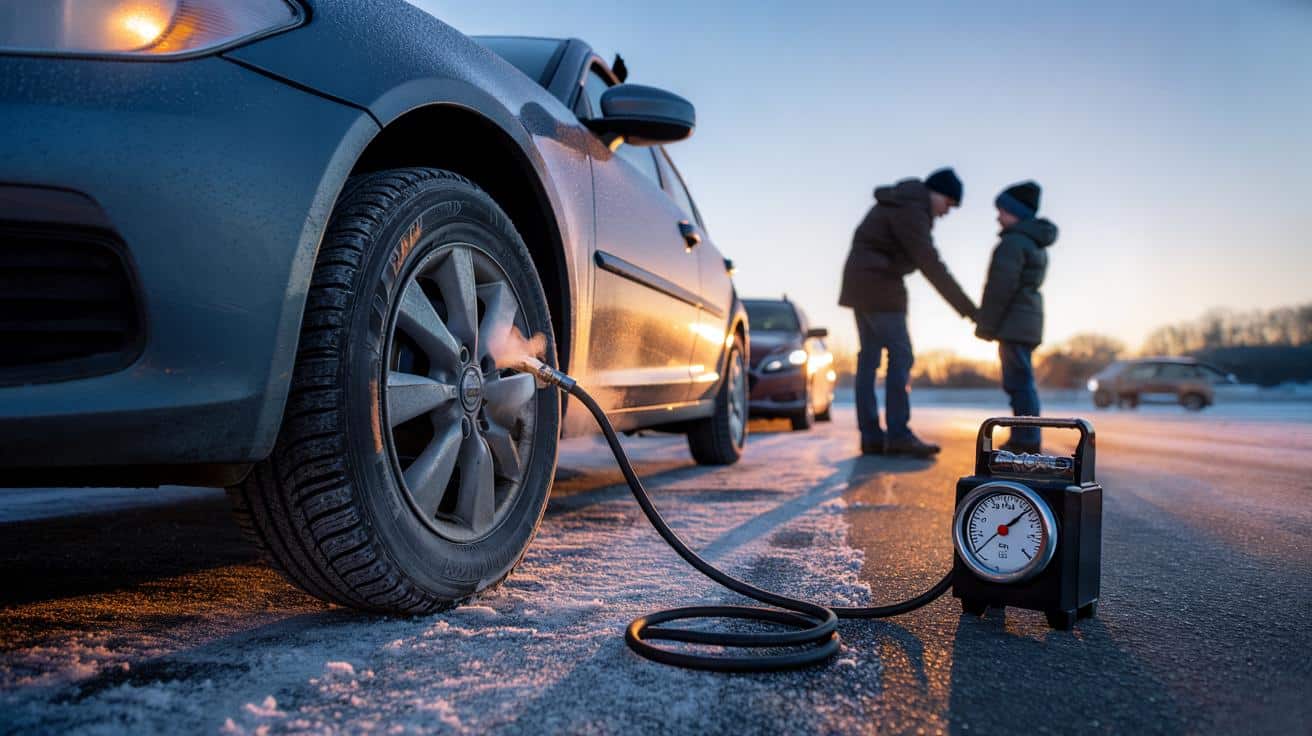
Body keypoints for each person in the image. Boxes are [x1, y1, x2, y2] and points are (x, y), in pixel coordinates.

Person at [839, 168, 978, 457]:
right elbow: (930, 264)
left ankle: (873, 436)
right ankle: (898, 434)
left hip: (862, 283)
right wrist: (969, 309)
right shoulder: (911, 209)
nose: (946, 213)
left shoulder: (900, 201)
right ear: (937, 193)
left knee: (869, 359)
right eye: (949, 205)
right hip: (880, 285)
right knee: (900, 354)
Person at [975, 181, 1059, 453]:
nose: (998, 216)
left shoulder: (1013, 243)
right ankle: (1024, 437)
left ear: (1017, 212)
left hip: (1014, 321)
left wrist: (986, 325)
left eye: (1002, 210)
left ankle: (1025, 440)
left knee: (1018, 383)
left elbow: (1000, 287)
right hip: (1028, 320)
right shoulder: (1035, 242)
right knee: (1023, 382)